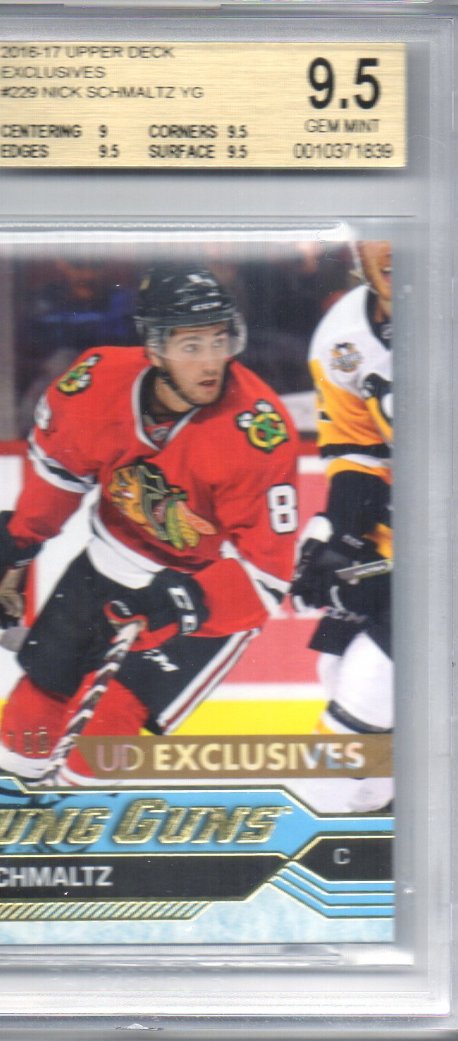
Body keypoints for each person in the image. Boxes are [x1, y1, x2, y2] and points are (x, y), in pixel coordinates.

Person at [0, 265, 299, 790]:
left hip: (202, 597)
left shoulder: (257, 433)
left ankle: (79, 834)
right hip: (105, 564)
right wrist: (13, 546)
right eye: (191, 346)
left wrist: (181, 603)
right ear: (155, 347)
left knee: (103, 735)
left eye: (220, 341)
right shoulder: (96, 382)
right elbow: (60, 475)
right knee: (32, 713)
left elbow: (266, 578)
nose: (211, 361)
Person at [290, 241, 393, 813]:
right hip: (410, 530)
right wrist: (344, 534)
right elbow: (358, 450)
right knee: (338, 665)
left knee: (372, 682)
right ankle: (383, 810)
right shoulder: (344, 336)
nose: (393, 248)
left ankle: (308, 821)